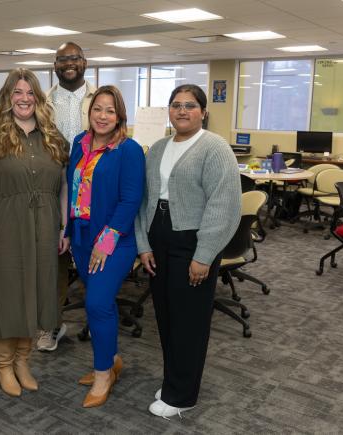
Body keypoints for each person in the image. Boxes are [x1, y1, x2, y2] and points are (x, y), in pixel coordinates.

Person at [135, 84, 241, 418]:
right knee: (165, 316)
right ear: (169, 110)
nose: (183, 111)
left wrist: (204, 254)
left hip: (192, 242)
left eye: (191, 105)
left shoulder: (214, 148)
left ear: (203, 112)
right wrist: (144, 245)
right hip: (159, 238)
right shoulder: (158, 149)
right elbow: (144, 201)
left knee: (189, 322)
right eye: (176, 105)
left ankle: (182, 396)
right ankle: (174, 382)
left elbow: (224, 207)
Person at [0, 68, 69, 397]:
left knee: (35, 296)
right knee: (7, 297)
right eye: (17, 93)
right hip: (4, 230)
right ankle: (3, 365)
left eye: (30, 93)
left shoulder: (53, 137)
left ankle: (23, 362)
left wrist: (64, 226)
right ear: (7, 98)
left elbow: (64, 186)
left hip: (44, 229)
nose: (24, 99)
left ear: (38, 99)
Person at [65, 85, 145, 408]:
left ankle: (102, 374)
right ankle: (112, 360)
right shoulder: (78, 143)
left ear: (120, 116)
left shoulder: (129, 150)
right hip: (82, 237)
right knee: (102, 304)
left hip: (115, 241)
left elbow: (130, 200)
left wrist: (106, 241)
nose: (102, 115)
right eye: (98, 108)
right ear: (90, 111)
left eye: (110, 110)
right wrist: (68, 231)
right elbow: (73, 192)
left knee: (96, 303)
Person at [38, 41, 96, 352]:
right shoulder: (43, 101)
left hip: (91, 190)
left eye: (74, 57)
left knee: (94, 259)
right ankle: (52, 325)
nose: (68, 63)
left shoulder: (99, 98)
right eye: (62, 59)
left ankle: (99, 321)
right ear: (55, 65)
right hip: (53, 189)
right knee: (53, 262)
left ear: (85, 61)